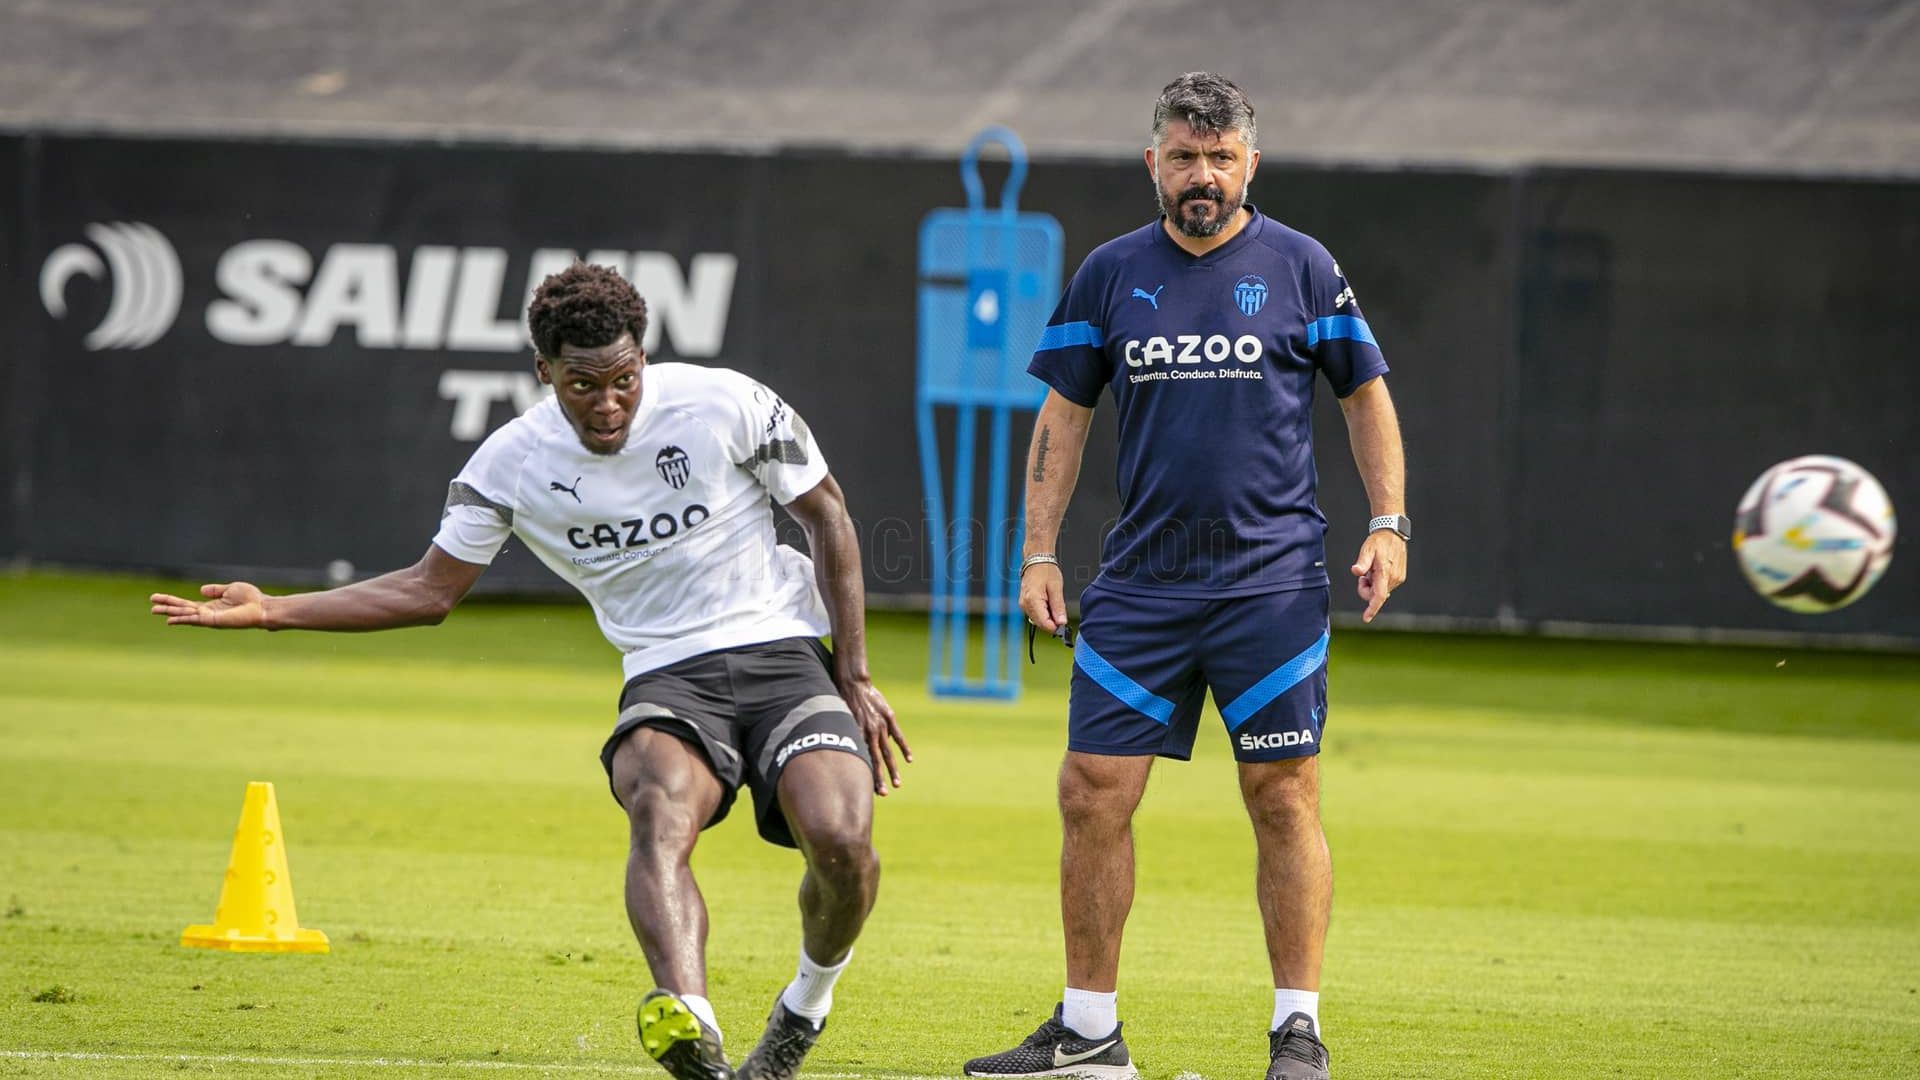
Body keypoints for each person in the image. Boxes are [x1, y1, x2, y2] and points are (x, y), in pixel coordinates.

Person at [149, 262, 911, 1080]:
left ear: (644, 359)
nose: (609, 403)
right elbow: (428, 590)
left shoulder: (725, 402)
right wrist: (274, 610)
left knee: (841, 843)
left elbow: (825, 511)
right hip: (666, 673)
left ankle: (804, 1008)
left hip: (785, 655)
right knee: (659, 809)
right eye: (584, 385)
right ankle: (691, 1024)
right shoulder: (509, 464)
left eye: (624, 379)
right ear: (544, 372)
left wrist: (855, 673)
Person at [962, 73, 1408, 1080]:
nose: (1200, 174)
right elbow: (1064, 418)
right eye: (1181, 155)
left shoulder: (1303, 267)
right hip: (1142, 590)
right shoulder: (1110, 274)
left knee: (1283, 795)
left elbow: (1365, 397)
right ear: (1151, 162)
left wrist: (1389, 524)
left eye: (1218, 156)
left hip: (1271, 587)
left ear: (1251, 161)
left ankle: (1298, 1031)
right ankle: (1087, 1035)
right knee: (1091, 793)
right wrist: (1038, 551)